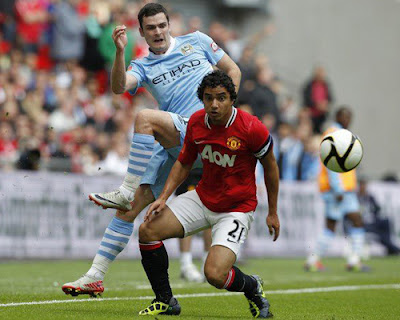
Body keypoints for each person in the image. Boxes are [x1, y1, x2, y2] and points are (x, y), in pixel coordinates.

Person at [62, 3, 240, 296]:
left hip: (203, 130)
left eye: (161, 25)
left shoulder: (196, 41)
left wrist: (226, 115)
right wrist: (119, 52)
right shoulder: (142, 65)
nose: (157, 32)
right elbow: (119, 87)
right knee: (129, 211)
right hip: (175, 142)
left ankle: (125, 188)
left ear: (169, 24)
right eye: (151, 28)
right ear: (142, 33)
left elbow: (233, 69)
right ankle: (95, 276)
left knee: (145, 117)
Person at [136, 71, 280, 317]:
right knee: (148, 230)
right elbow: (183, 162)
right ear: (202, 99)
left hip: (237, 208)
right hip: (202, 199)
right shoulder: (196, 122)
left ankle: (253, 286)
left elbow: (271, 168)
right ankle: (165, 299)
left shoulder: (251, 127)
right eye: (208, 98)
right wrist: (163, 198)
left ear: (231, 99)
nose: (214, 104)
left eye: (221, 98)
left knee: (214, 275)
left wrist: (273, 213)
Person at [305, 107, 369, 272]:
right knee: (349, 222)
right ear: (338, 116)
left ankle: (352, 260)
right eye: (345, 116)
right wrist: (338, 188)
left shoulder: (341, 133)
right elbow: (331, 162)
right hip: (337, 191)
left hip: (343, 189)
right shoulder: (334, 134)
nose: (348, 120)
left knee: (343, 223)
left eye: (350, 117)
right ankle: (350, 260)